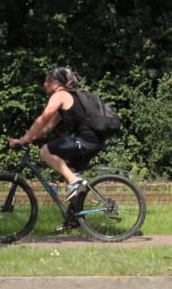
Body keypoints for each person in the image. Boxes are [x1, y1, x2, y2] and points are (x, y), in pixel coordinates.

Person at [8, 67, 104, 206]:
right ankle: (74, 218)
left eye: (47, 80)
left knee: (45, 151)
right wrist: (31, 138)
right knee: (69, 172)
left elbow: (43, 118)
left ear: (55, 83)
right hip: (92, 142)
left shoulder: (60, 95)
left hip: (85, 140)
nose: (44, 84)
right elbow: (48, 126)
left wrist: (23, 139)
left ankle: (75, 182)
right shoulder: (69, 97)